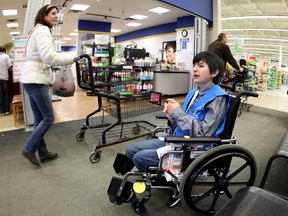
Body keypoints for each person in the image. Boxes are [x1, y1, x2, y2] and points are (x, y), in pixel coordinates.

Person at [126, 51, 230, 172]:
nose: (195, 69)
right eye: (194, 65)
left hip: (193, 148)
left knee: (140, 158)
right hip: (177, 139)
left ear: (214, 72)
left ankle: (162, 178)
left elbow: (204, 134)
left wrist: (177, 112)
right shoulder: (193, 93)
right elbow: (184, 122)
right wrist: (172, 117)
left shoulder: (218, 98)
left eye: (201, 66)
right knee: (130, 150)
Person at [20, 4, 75, 166]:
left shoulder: (34, 31)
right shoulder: (43, 31)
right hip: (36, 80)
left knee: (39, 118)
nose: (56, 16)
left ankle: (42, 153)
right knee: (49, 118)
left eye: (56, 14)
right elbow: (49, 58)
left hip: (29, 79)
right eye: (52, 13)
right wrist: (72, 58)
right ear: (43, 15)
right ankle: (30, 148)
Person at [0, 46, 12, 116]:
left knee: (0, 95)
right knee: (6, 94)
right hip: (4, 78)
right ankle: (7, 110)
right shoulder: (6, 56)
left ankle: (2, 112)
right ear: (4, 50)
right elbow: (10, 66)